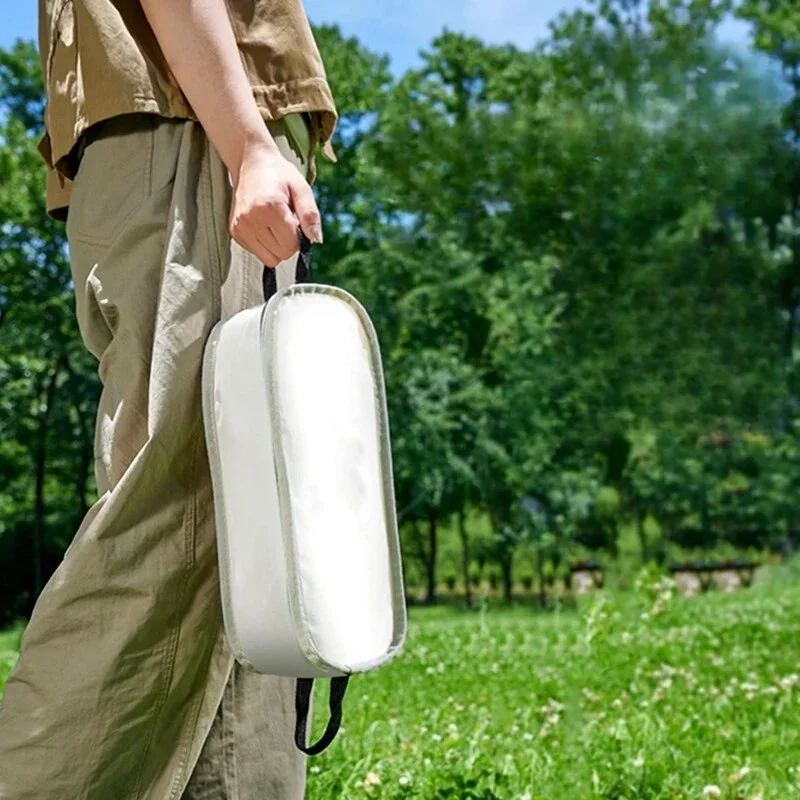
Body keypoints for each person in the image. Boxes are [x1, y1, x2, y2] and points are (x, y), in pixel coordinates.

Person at [0, 1, 337, 797]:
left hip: (191, 128)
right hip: (191, 131)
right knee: (177, 512)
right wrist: (248, 144)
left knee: (250, 539)